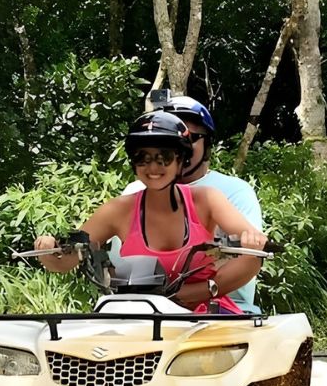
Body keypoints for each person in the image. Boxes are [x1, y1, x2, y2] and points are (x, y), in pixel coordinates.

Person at [34, 111, 268, 315]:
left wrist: (203, 289)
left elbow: (254, 252)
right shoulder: (117, 210)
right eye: (142, 158)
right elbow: (70, 257)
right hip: (139, 316)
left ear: (180, 160)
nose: (153, 167)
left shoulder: (207, 199)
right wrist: (49, 252)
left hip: (205, 317)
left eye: (164, 157)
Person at [121, 95, 265, 314]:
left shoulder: (234, 191)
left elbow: (252, 253)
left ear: (207, 144)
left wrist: (197, 291)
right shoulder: (133, 193)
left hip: (221, 308)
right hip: (142, 308)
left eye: (190, 137)